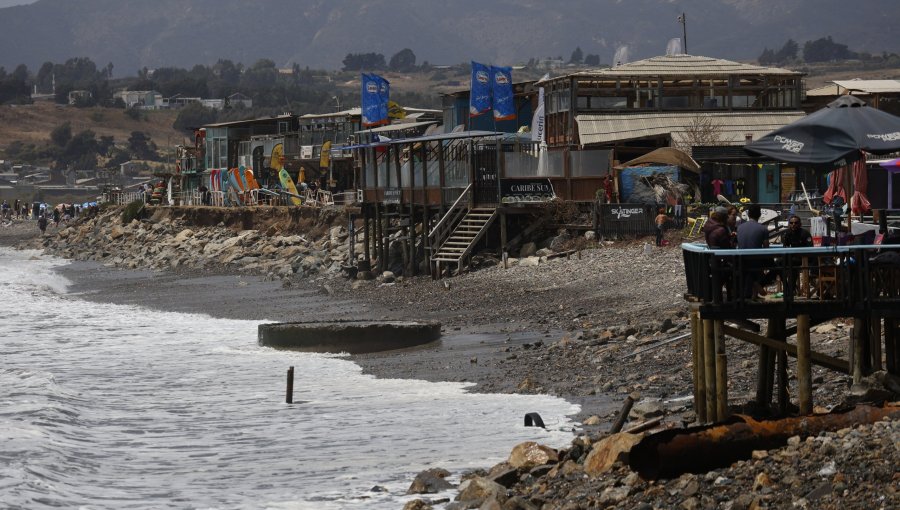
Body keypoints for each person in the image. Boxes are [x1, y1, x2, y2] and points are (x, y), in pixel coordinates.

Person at [737, 204, 775, 297]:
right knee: (776, 267)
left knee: (751, 270)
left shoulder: (739, 228)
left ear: (748, 214)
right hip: (756, 260)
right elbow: (766, 248)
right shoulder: (762, 229)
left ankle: (754, 291)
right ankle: (758, 284)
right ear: (759, 215)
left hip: (741, 260)